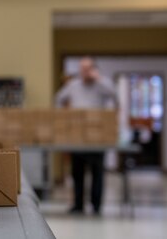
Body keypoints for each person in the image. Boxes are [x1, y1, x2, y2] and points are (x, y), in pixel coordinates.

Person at [55, 57, 118, 215]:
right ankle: (78, 205)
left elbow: (114, 95)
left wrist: (99, 79)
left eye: (88, 68)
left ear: (94, 69)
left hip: (97, 137)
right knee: (77, 173)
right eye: (82, 69)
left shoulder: (102, 84)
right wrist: (64, 119)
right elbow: (58, 99)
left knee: (97, 173)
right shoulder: (73, 85)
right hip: (78, 136)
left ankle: (96, 206)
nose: (84, 72)